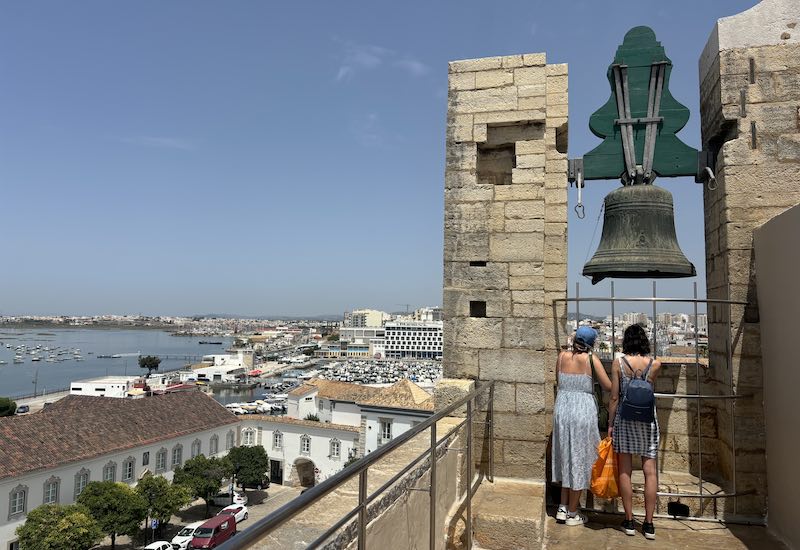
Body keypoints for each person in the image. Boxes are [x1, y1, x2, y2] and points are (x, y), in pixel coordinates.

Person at [551, 325, 612, 526]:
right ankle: (573, 512)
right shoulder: (591, 360)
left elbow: (559, 380)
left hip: (562, 409)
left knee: (566, 458)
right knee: (578, 459)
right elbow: (608, 386)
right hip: (582, 411)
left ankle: (562, 507)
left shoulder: (561, 357)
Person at [608, 324, 661, 540]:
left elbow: (614, 397)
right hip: (647, 420)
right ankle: (648, 524)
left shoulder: (619, 363)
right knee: (650, 472)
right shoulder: (655, 364)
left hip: (625, 418)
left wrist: (610, 423)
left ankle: (629, 520)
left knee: (625, 471)